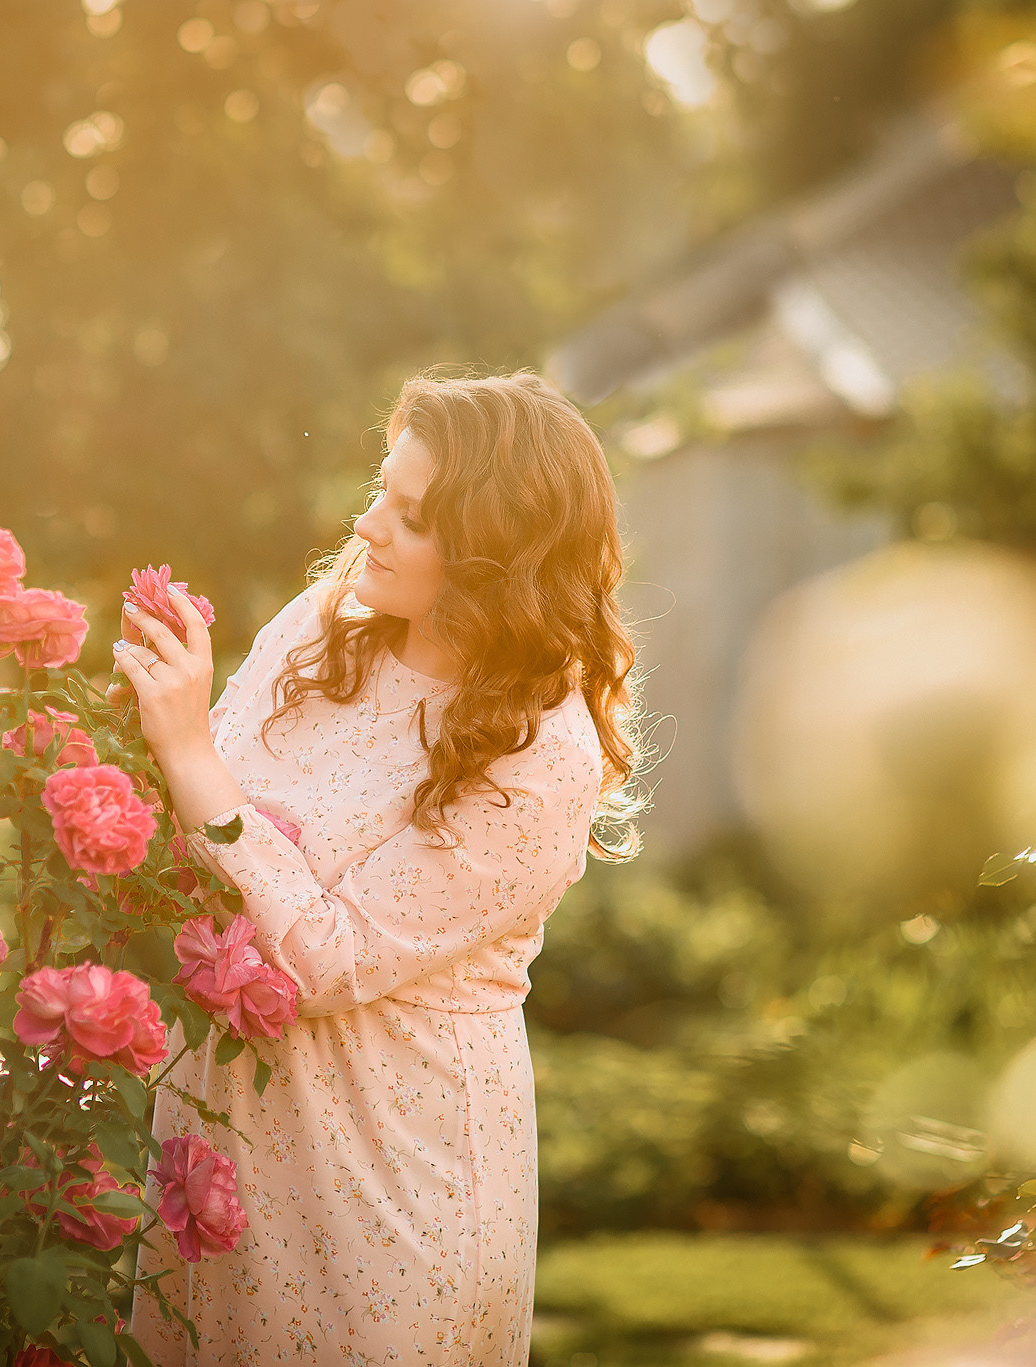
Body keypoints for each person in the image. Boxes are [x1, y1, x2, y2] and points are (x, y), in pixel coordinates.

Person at [112, 369, 642, 1366]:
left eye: (409, 516)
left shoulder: (541, 754)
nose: (364, 526)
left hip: (389, 1165)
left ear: (494, 550)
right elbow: (201, 823)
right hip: (225, 1137)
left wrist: (185, 749)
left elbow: (326, 958)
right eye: (379, 489)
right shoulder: (327, 629)